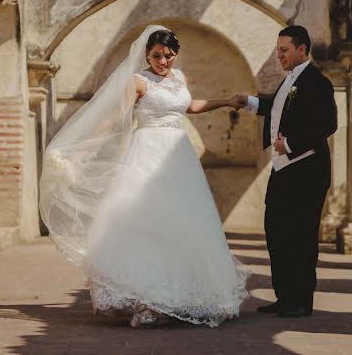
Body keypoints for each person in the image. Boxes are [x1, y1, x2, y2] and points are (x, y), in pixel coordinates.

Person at [40, 26, 249, 328]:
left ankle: (185, 294)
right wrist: (83, 151)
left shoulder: (179, 78)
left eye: (168, 56)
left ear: (175, 54)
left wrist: (226, 101)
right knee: (144, 221)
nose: (163, 62)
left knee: (185, 222)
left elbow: (190, 106)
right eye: (156, 56)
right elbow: (114, 119)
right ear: (147, 54)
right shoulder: (138, 82)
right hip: (146, 152)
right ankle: (146, 299)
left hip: (179, 157)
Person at [239, 25, 337, 318]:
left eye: (284, 50)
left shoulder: (318, 82)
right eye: (278, 50)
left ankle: (301, 301)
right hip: (283, 171)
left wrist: (290, 143)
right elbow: (279, 109)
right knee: (277, 233)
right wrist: (249, 102)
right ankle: (284, 297)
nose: (279, 55)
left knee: (302, 237)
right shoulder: (290, 81)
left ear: (301, 50)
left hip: (307, 170)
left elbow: (327, 124)